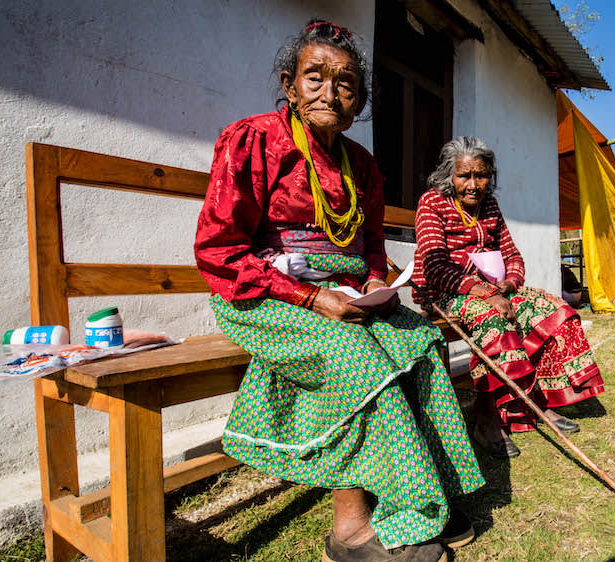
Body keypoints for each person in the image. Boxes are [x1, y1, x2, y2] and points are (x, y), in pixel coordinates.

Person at [194, 20, 483, 562]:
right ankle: (350, 531)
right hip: (262, 293)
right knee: (359, 357)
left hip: (345, 294)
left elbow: (372, 246)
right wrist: (309, 297)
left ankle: (426, 496)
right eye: (314, 78)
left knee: (420, 342)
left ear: (360, 100)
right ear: (288, 84)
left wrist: (376, 281)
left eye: (346, 83)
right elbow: (219, 250)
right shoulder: (255, 140)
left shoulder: (362, 165)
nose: (330, 92)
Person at [412, 137, 606, 458]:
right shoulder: (432, 203)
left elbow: (512, 254)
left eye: (481, 175)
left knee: (553, 310)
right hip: (446, 290)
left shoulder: (490, 205)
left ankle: (539, 402)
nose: (474, 185)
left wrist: (510, 284)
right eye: (464, 176)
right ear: (449, 176)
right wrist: (485, 292)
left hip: (493, 289)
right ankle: (486, 418)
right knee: (494, 319)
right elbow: (434, 266)